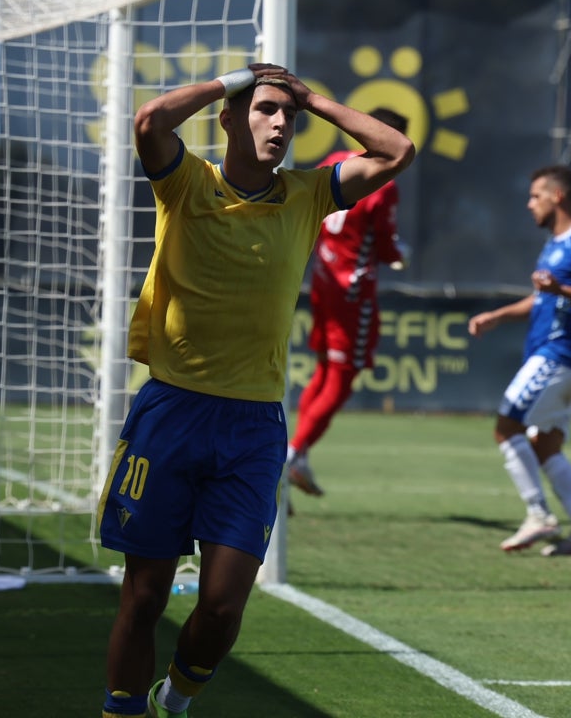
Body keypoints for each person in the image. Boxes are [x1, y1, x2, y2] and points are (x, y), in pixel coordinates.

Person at [97, 63, 414, 718]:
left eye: (287, 117)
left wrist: (312, 99)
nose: (279, 124)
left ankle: (176, 701)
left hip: (252, 430)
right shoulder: (188, 182)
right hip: (171, 413)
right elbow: (149, 122)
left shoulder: (308, 194)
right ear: (230, 121)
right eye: (265, 110)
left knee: (220, 606)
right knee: (145, 595)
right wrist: (233, 79)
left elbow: (396, 151)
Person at [467, 165, 571, 556]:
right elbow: (546, 298)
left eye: (536, 195)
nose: (529, 203)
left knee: (506, 426)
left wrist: (563, 288)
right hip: (558, 357)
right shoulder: (554, 244)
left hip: (560, 354)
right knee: (545, 447)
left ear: (558, 196)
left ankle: (538, 514)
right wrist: (499, 316)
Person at [286, 107, 411, 498]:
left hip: (323, 281)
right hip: (351, 291)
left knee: (325, 370)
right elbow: (386, 242)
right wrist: (397, 253)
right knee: (341, 377)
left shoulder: (334, 162)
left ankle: (297, 454)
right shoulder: (382, 182)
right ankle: (292, 455)